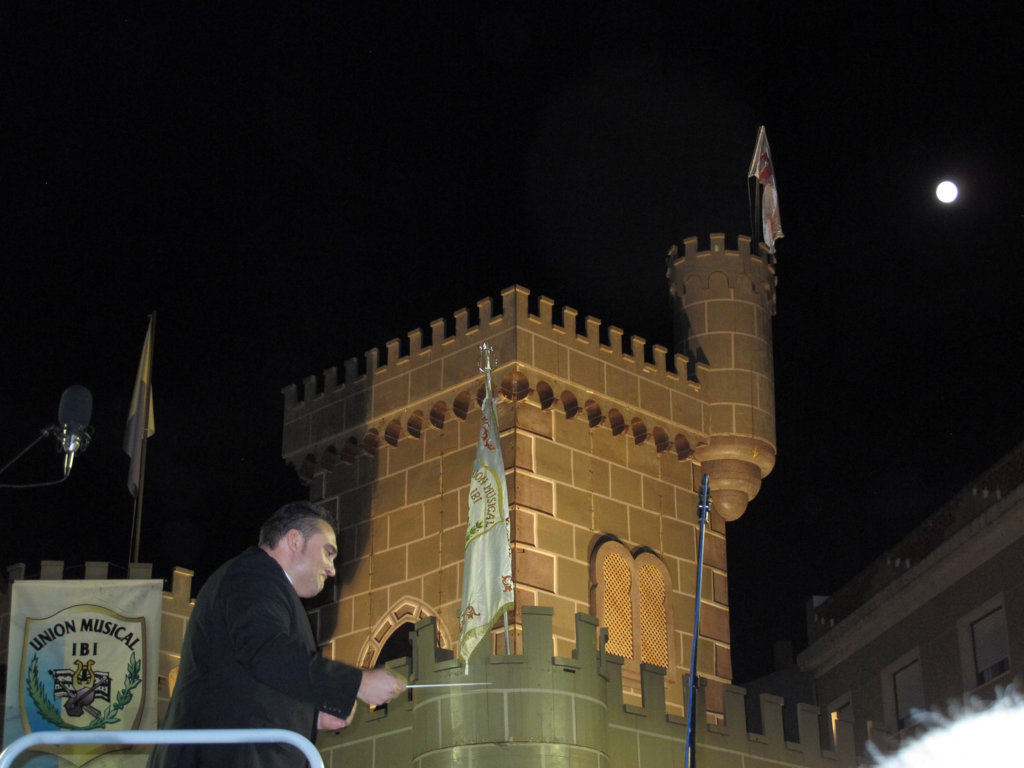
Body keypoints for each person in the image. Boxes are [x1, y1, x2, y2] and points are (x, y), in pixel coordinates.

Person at [148, 501, 406, 768]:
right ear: (294, 540)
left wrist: (311, 716)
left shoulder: (262, 582)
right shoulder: (254, 575)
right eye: (328, 552)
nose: (332, 569)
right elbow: (269, 652)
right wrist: (356, 683)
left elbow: (253, 681)